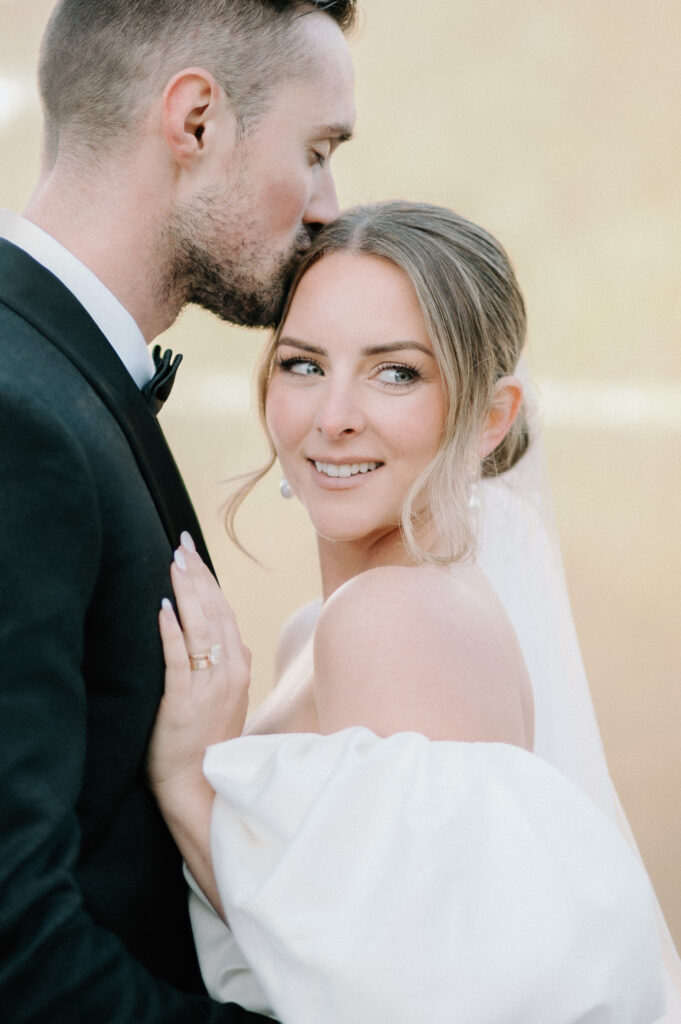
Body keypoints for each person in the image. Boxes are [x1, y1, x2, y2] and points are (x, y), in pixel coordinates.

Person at [148, 202, 672, 1023]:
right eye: (302, 364)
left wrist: (185, 782)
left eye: (396, 372)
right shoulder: (330, 627)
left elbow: (392, 994)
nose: (333, 417)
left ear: (489, 419)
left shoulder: (391, 619)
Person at [0, 1, 357, 1021]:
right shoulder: (16, 414)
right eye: (319, 148)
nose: (332, 202)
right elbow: (16, 952)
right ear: (195, 119)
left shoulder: (53, 373)